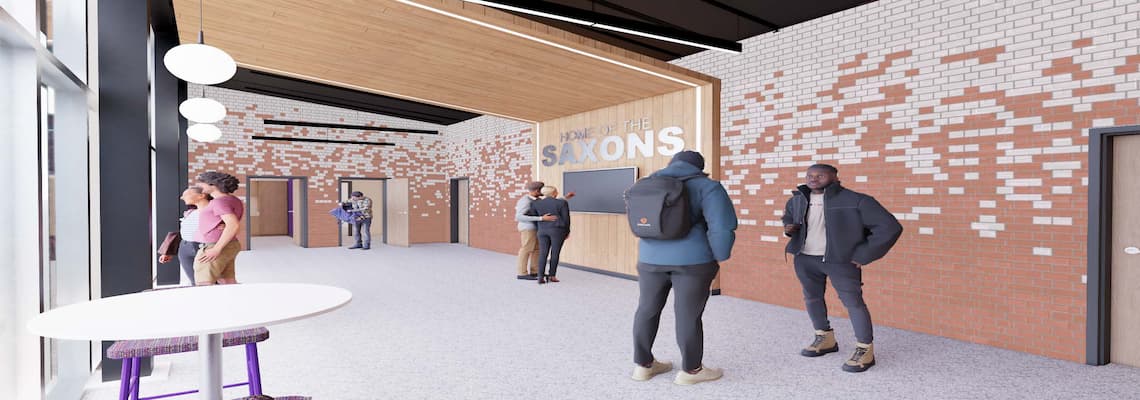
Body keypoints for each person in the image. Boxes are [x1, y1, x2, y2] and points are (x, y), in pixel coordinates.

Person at [782, 164, 902, 373]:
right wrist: (789, 228)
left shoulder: (857, 200)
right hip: (805, 258)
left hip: (841, 261)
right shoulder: (797, 199)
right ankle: (824, 338)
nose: (813, 179)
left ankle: (865, 349)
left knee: (853, 303)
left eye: (820, 175)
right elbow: (789, 218)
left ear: (835, 177)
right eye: (810, 175)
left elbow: (889, 227)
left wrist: (864, 255)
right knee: (811, 298)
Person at [631, 150, 737, 385]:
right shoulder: (707, 186)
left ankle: (643, 366)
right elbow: (721, 226)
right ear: (700, 167)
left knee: (646, 309)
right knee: (688, 315)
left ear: (671, 163)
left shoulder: (647, 184)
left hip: (649, 259)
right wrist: (720, 256)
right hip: (693, 261)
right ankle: (692, 371)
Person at [194, 171, 245, 285]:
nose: (199, 185)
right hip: (230, 244)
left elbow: (233, 224)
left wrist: (217, 249)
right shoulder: (233, 199)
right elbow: (233, 223)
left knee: (204, 283)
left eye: (202, 182)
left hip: (216, 246)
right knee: (227, 281)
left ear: (213, 185)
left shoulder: (219, 202)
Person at [159, 186, 212, 285]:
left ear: (202, 196)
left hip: (204, 247)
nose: (182, 197)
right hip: (184, 248)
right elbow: (184, 231)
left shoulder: (215, 211)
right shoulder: (191, 213)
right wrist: (168, 251)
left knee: (208, 281)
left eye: (187, 194)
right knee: (194, 282)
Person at [515, 181, 558, 280]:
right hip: (528, 228)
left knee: (536, 250)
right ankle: (522, 273)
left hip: (537, 228)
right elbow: (519, 217)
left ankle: (535, 271)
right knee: (526, 249)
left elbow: (554, 201)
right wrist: (541, 218)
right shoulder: (525, 201)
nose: (543, 191)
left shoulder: (537, 200)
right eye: (542, 189)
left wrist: (566, 198)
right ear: (537, 190)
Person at [529, 186, 571, 284]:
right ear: (553, 193)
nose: (557, 192)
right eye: (556, 191)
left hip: (542, 230)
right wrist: (567, 232)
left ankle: (540, 277)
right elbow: (566, 219)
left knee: (543, 253)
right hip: (558, 231)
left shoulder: (535, 203)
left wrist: (539, 226)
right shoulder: (562, 203)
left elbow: (534, 217)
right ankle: (552, 276)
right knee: (555, 253)